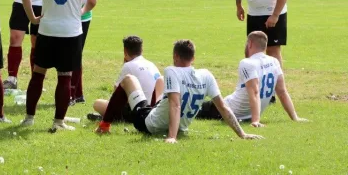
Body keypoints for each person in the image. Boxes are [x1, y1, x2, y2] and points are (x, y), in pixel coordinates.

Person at [96, 39, 263, 142]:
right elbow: (224, 107)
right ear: (193, 58)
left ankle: (104, 125)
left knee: (128, 80)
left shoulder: (171, 70)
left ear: (175, 56)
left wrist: (171, 137)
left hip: (148, 123)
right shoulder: (206, 75)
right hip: (169, 118)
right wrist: (242, 134)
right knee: (159, 86)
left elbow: (175, 105)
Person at [20, 0, 98, 132]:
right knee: (65, 76)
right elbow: (92, 1)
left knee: (38, 74)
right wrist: (80, 13)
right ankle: (58, 122)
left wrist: (32, 18)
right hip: (70, 31)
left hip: (47, 28)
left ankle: (29, 118)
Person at [197, 31, 307, 126]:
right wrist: (295, 117)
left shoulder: (247, 63)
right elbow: (282, 92)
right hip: (243, 112)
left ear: (250, 44)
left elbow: (254, 92)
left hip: (226, 110)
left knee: (192, 108)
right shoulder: (274, 61)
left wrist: (256, 121)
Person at [45, 0, 92, 105]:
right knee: (73, 55)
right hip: (68, 14)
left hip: (78, 15)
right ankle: (76, 93)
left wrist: (80, 11)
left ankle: (73, 93)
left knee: (74, 56)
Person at [91, 36, 163, 131]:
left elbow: (116, 94)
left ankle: (111, 120)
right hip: (155, 109)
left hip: (139, 110)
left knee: (97, 103)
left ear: (125, 51)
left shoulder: (128, 66)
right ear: (142, 49)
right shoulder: (151, 64)